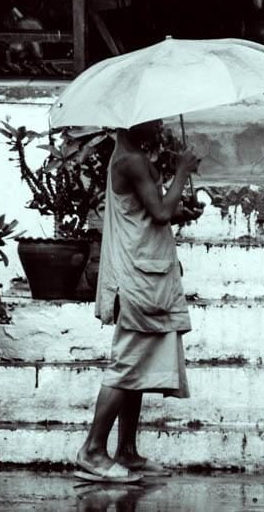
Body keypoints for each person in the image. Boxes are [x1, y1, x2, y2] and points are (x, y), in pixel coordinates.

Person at [74, 119, 203, 483]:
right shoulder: (129, 160)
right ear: (133, 122)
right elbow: (161, 213)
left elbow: (156, 213)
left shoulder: (134, 157)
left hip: (149, 273)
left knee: (140, 369)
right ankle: (92, 451)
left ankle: (126, 451)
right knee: (128, 364)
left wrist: (183, 207)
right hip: (137, 280)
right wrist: (181, 172)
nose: (160, 125)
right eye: (154, 119)